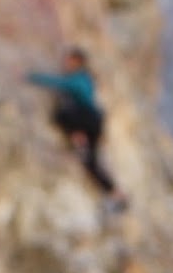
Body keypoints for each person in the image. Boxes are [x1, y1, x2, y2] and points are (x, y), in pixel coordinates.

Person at [27, 47, 127, 207]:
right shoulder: (85, 78)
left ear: (78, 62)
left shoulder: (79, 79)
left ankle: (78, 137)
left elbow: (60, 84)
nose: (66, 63)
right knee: (91, 162)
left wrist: (33, 77)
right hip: (94, 121)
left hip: (87, 119)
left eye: (70, 60)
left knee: (61, 114)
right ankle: (116, 193)